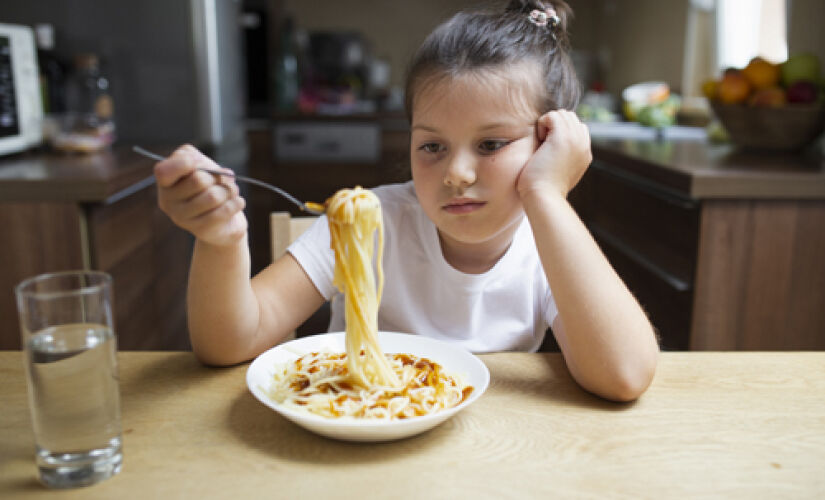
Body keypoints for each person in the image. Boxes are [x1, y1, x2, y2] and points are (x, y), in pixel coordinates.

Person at [153, 0, 659, 402]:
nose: (456, 175)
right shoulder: (370, 221)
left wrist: (547, 195)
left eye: (491, 145)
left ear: (549, 143)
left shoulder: (548, 245)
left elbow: (625, 374)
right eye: (432, 147)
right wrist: (221, 240)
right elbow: (229, 343)